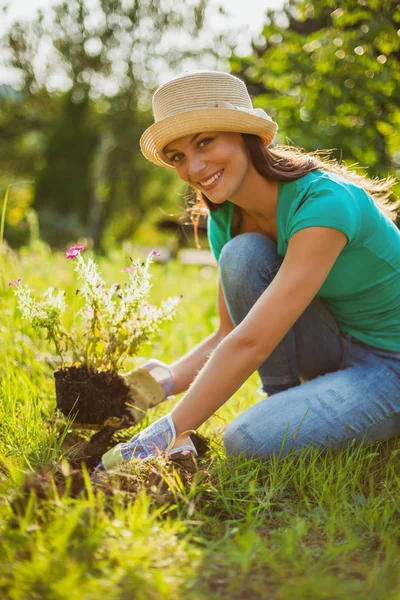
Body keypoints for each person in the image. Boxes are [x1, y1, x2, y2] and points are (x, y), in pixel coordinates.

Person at [93, 70, 400, 476]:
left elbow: (253, 342)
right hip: (336, 343)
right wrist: (159, 384)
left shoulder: (323, 202)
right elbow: (228, 333)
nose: (195, 167)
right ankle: (287, 401)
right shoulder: (227, 219)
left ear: (244, 136)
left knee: (247, 439)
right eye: (178, 157)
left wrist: (166, 432)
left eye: (205, 142)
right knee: (243, 255)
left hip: (390, 363)